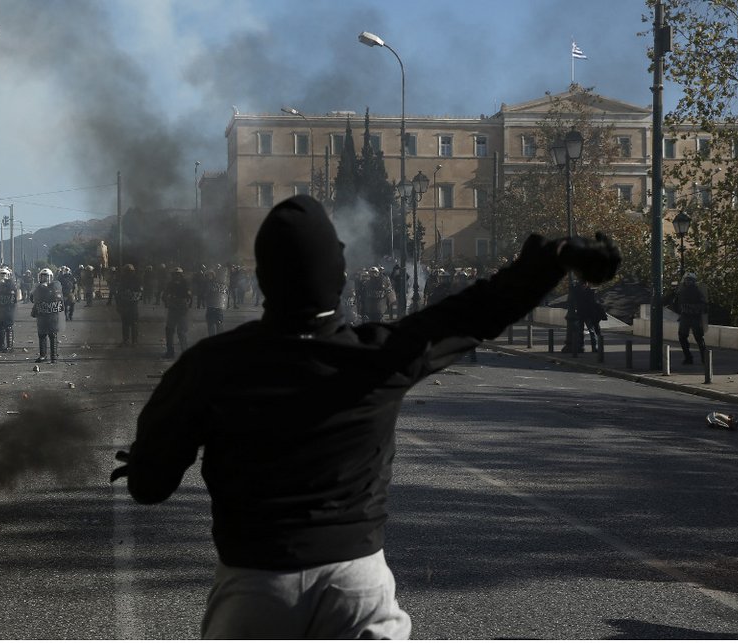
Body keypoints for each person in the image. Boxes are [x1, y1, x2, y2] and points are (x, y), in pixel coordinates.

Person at [110, 195, 621, 639]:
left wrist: (148, 456)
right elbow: (475, 312)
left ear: (264, 278)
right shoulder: (378, 355)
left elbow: (150, 487)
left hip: (255, 582)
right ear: (337, 274)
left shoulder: (209, 364)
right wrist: (552, 260)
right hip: (356, 583)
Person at [31, 268, 63, 363]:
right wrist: (38, 290)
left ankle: (54, 356)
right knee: (42, 335)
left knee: (52, 335)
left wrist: (47, 289)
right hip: (42, 314)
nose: (44, 279)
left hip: (52, 315)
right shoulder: (37, 287)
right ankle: (43, 355)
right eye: (43, 277)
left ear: (51, 277)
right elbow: (32, 299)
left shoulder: (55, 286)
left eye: (46, 277)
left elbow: (58, 298)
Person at [675, 272, 708, 364]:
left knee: (699, 338)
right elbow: (677, 303)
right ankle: (688, 357)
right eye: (686, 280)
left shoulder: (697, 291)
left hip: (695, 317)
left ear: (693, 281)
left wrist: (692, 308)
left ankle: (704, 358)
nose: (687, 282)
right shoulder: (681, 291)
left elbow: (704, 305)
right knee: (682, 337)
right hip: (685, 316)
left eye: (689, 280)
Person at [161, 266, 192, 359]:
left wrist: (168, 302)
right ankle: (175, 351)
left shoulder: (179, 284)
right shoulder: (183, 283)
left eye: (177, 274)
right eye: (176, 274)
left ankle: (173, 352)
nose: (177, 276)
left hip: (178, 309)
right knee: (175, 331)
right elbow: (189, 297)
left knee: (176, 331)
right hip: (178, 309)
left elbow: (164, 296)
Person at [0, 267, 19, 352]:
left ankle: (9, 346)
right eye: (1, 275)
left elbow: (14, 296)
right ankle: (0, 345)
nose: (3, 276)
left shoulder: (11, 284)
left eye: (4, 275)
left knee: (8, 326)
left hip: (8, 308)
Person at [573, 280, 606, 352]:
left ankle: (591, 347)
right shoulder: (584, 291)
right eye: (583, 284)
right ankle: (583, 347)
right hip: (583, 314)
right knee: (583, 331)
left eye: (585, 284)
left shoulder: (587, 292)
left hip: (586, 314)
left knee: (590, 331)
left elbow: (592, 303)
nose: (584, 285)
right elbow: (593, 303)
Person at [116, 264, 143, 345]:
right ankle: (127, 340)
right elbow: (119, 292)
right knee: (126, 323)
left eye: (129, 271)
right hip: (126, 303)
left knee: (133, 323)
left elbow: (139, 292)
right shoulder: (123, 279)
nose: (128, 273)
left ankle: (133, 341)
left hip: (132, 304)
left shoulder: (136, 280)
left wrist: (130, 294)